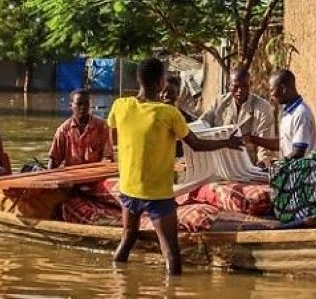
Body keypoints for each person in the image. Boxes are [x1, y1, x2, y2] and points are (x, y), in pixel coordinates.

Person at [109, 57, 243, 275]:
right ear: (161, 82)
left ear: (139, 79)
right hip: (157, 195)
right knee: (171, 251)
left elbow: (114, 139)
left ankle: (117, 281)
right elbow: (197, 145)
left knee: (128, 237)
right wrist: (228, 142)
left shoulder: (120, 106)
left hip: (128, 189)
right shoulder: (169, 114)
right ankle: (173, 289)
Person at [200, 67, 276, 168]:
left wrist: (262, 163)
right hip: (220, 164)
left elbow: (265, 145)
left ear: (250, 84)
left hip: (249, 166)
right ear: (229, 85)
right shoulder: (219, 103)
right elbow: (202, 125)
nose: (240, 90)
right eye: (236, 86)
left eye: (245, 86)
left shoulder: (263, 108)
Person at [242, 69, 316, 161]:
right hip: (292, 171)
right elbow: (282, 143)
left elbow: (298, 153)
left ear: (283, 89)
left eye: (271, 90)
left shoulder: (301, 113)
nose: (271, 95)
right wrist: (252, 139)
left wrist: (279, 166)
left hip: (304, 173)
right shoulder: (286, 111)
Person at [47, 89, 113, 169]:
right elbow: (54, 159)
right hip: (71, 177)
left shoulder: (101, 126)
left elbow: (108, 157)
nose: (83, 107)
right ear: (71, 106)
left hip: (95, 175)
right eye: (79, 104)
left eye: (86, 103)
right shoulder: (63, 130)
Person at [160, 75, 195, 159]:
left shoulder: (185, 117)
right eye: (163, 91)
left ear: (177, 94)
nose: (166, 95)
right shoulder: (154, 116)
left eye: (170, 92)